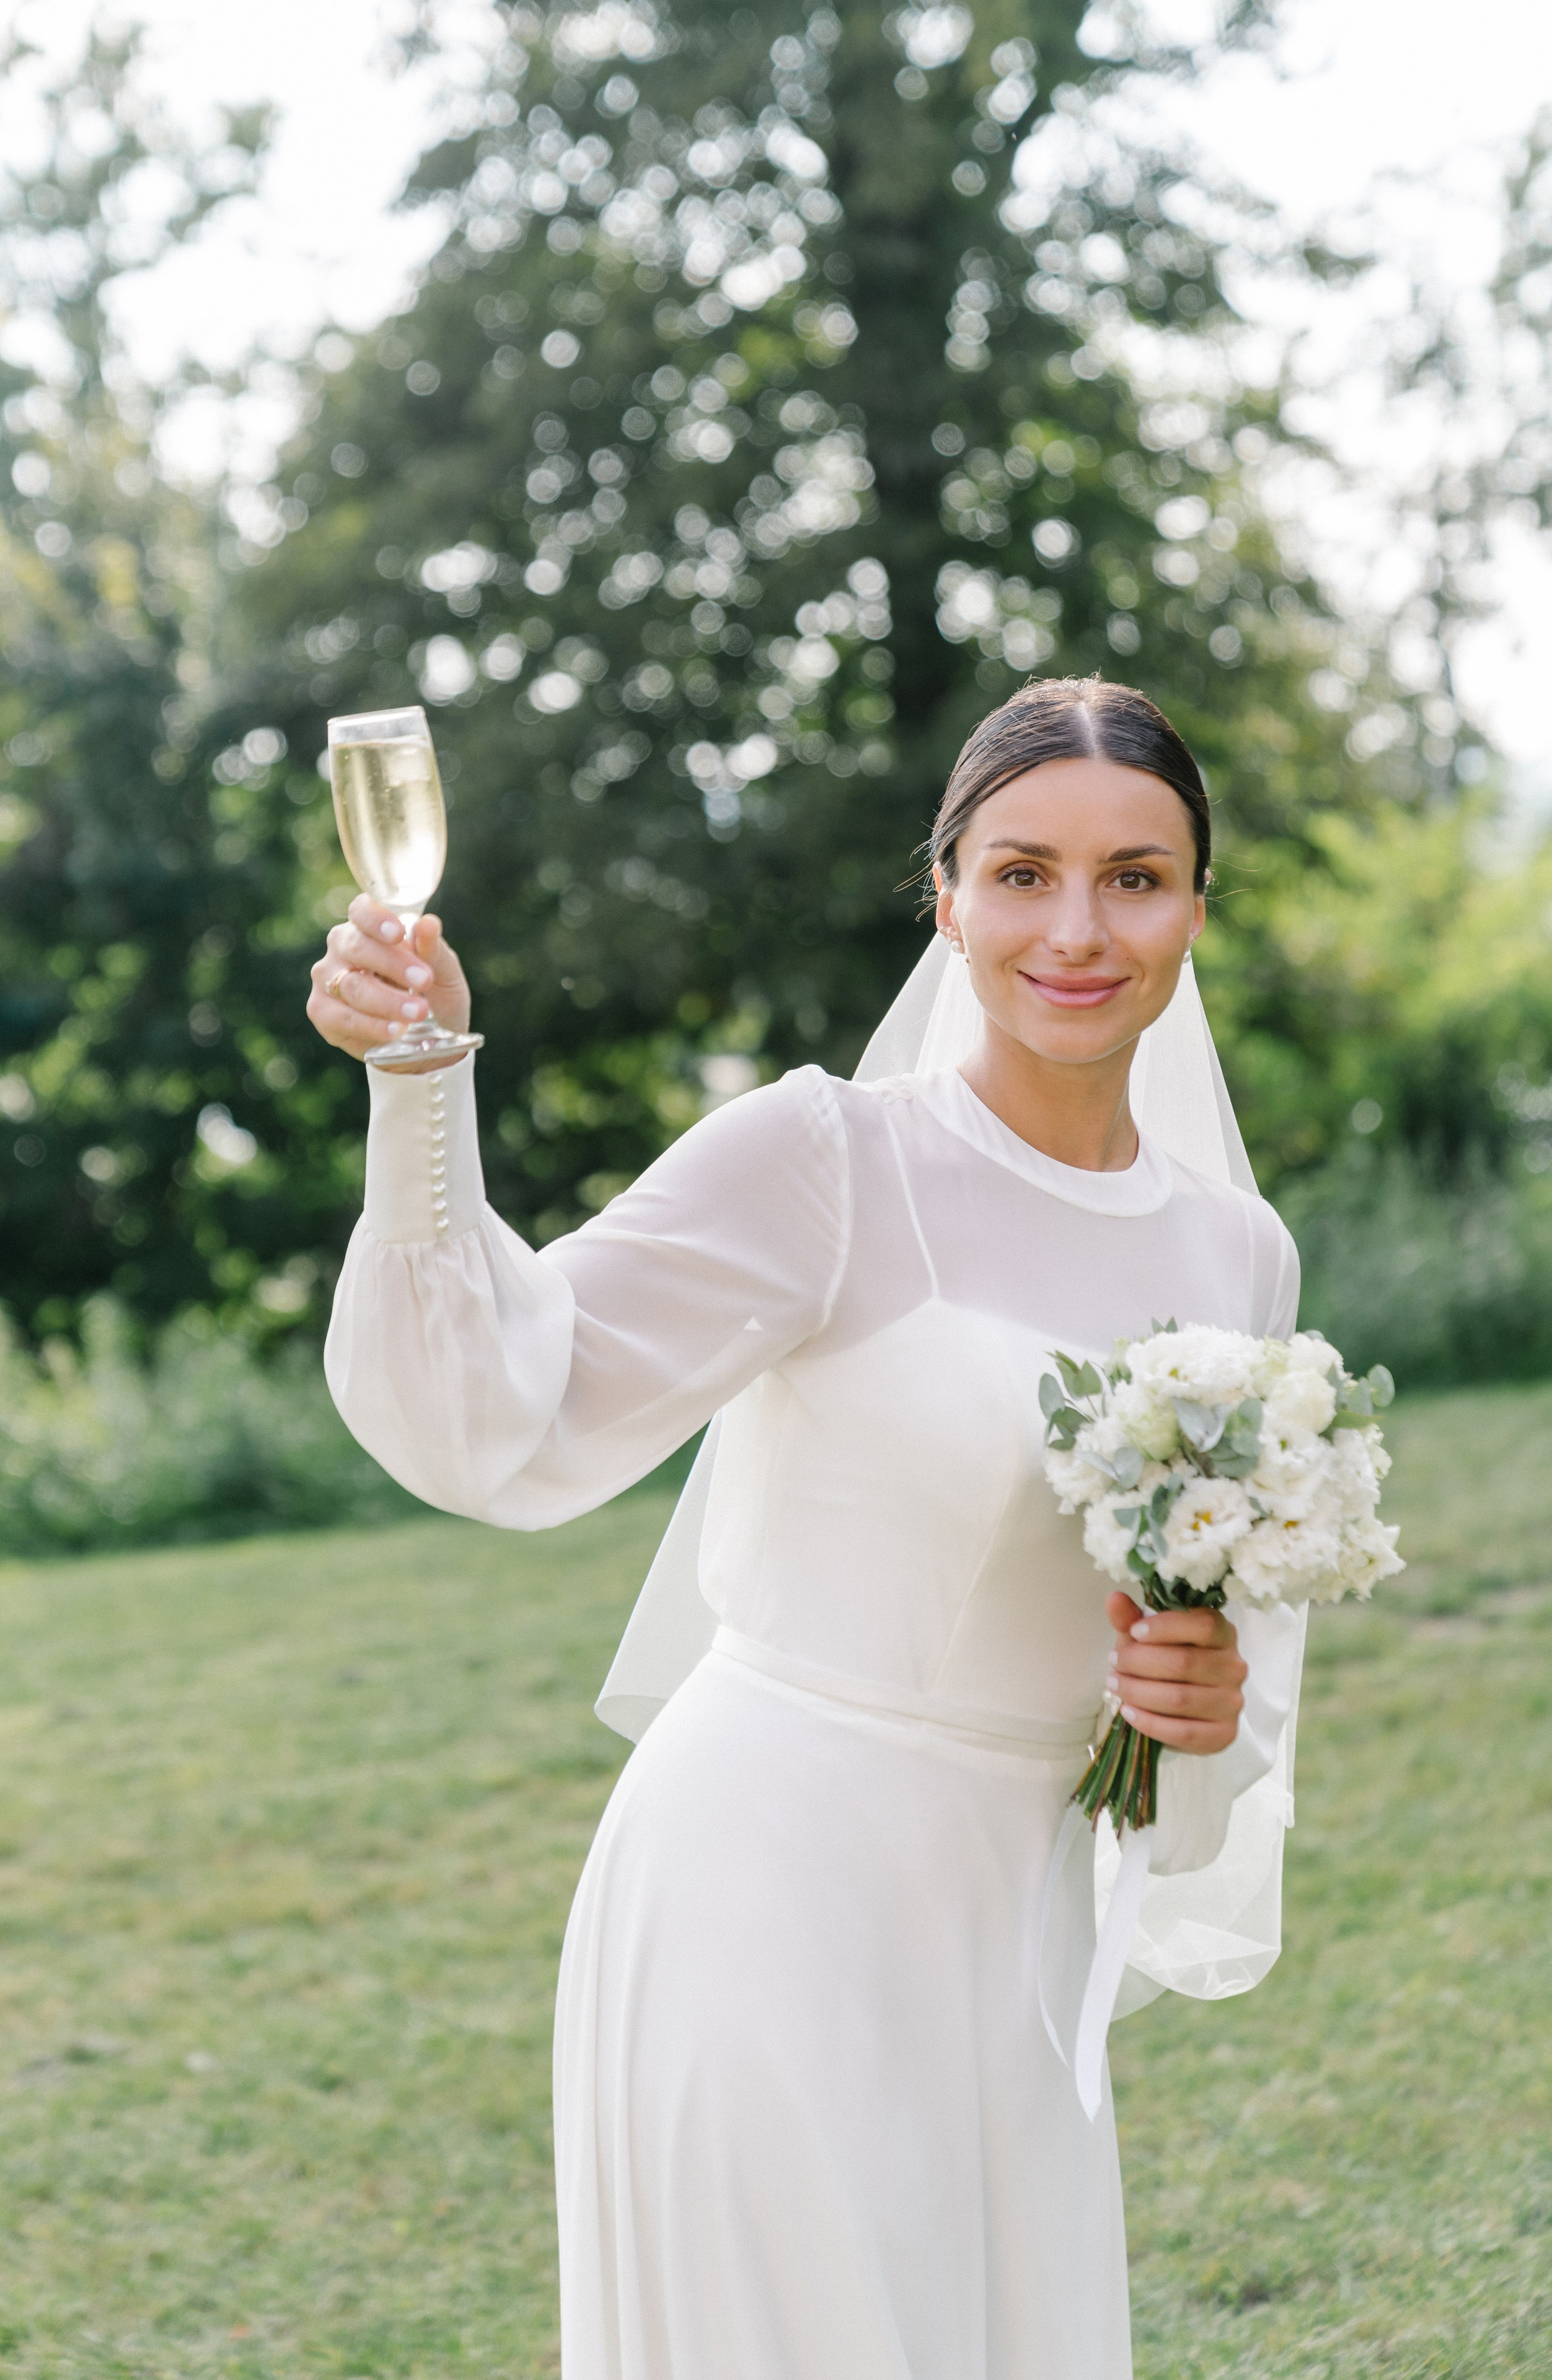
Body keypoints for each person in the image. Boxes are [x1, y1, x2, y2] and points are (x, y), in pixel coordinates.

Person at [309, 677, 1302, 2380]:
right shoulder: (826, 1158)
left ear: (1199, 906)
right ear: (948, 894)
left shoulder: (1242, 1258)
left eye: (1136, 877)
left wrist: (1198, 1708)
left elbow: (1203, 1697)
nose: (1079, 927)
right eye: (1021, 872)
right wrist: (417, 1077)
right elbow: (496, 1414)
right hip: (766, 1893)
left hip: (1014, 1939)